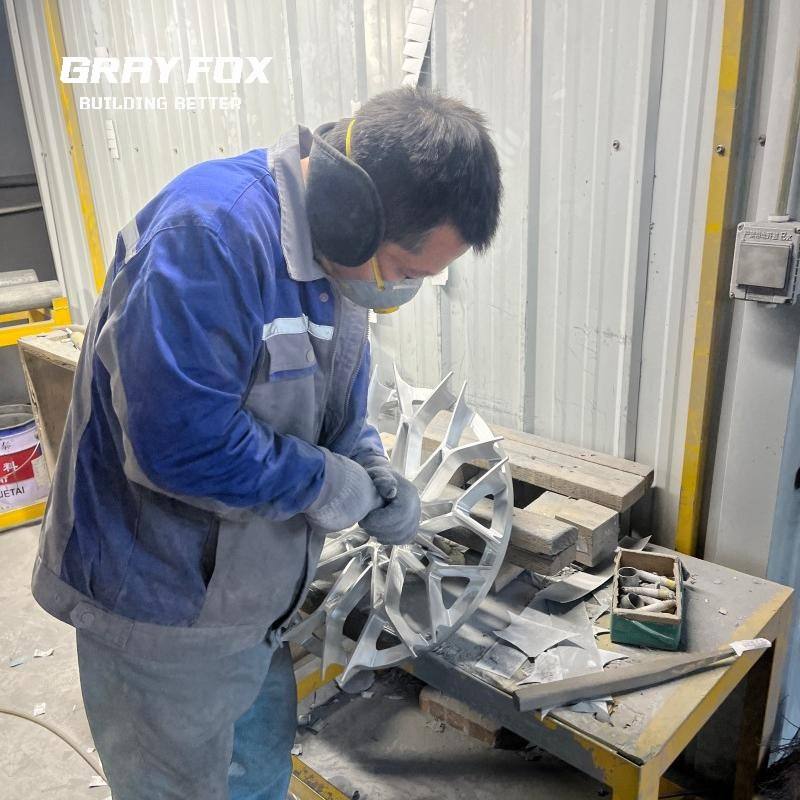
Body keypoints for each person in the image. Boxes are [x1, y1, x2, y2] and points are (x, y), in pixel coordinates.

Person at [31, 86, 502, 800]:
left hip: (252, 605)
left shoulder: (338, 264)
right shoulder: (208, 238)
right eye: (408, 271)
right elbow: (176, 444)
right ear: (352, 214)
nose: (406, 290)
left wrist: (367, 464)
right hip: (157, 608)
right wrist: (327, 484)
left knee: (257, 775)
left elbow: (332, 404)